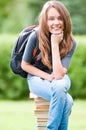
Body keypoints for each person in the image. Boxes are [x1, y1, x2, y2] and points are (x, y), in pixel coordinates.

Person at [21, 0, 76, 130]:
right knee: (67, 101)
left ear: (65, 20)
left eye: (59, 18)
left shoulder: (71, 42)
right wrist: (47, 76)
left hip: (59, 77)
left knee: (60, 84)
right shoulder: (35, 36)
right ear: (45, 21)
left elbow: (58, 75)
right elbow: (25, 65)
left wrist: (55, 44)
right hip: (36, 78)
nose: (56, 22)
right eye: (51, 19)